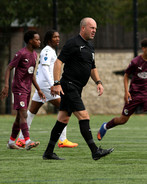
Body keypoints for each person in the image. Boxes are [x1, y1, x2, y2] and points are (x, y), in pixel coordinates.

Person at [43, 17, 114, 160]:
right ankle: (95, 151)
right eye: (92, 28)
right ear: (83, 28)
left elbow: (92, 67)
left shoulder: (90, 46)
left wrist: (98, 82)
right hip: (69, 86)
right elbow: (58, 62)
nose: (94, 31)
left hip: (77, 88)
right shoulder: (73, 43)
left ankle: (48, 152)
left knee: (63, 120)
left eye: (95, 28)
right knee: (84, 116)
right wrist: (56, 83)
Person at [15, 30, 78, 148]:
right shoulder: (47, 51)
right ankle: (62, 140)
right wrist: (53, 85)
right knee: (65, 108)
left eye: (59, 36)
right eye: (55, 37)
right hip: (46, 86)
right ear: (49, 39)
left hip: (42, 85)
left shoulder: (50, 51)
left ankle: (21, 139)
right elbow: (44, 69)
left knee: (31, 112)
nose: (58, 39)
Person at [0, 30, 45, 150]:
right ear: (30, 41)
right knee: (24, 114)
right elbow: (9, 68)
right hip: (19, 87)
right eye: (37, 39)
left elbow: (31, 74)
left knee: (19, 117)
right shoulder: (21, 53)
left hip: (27, 88)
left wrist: (39, 89)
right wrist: (6, 85)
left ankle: (10, 142)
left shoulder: (35, 55)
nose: (39, 41)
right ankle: (28, 141)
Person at [98, 38, 147, 141]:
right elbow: (126, 75)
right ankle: (105, 126)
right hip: (135, 94)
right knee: (123, 120)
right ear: (143, 48)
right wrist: (126, 92)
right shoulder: (136, 62)